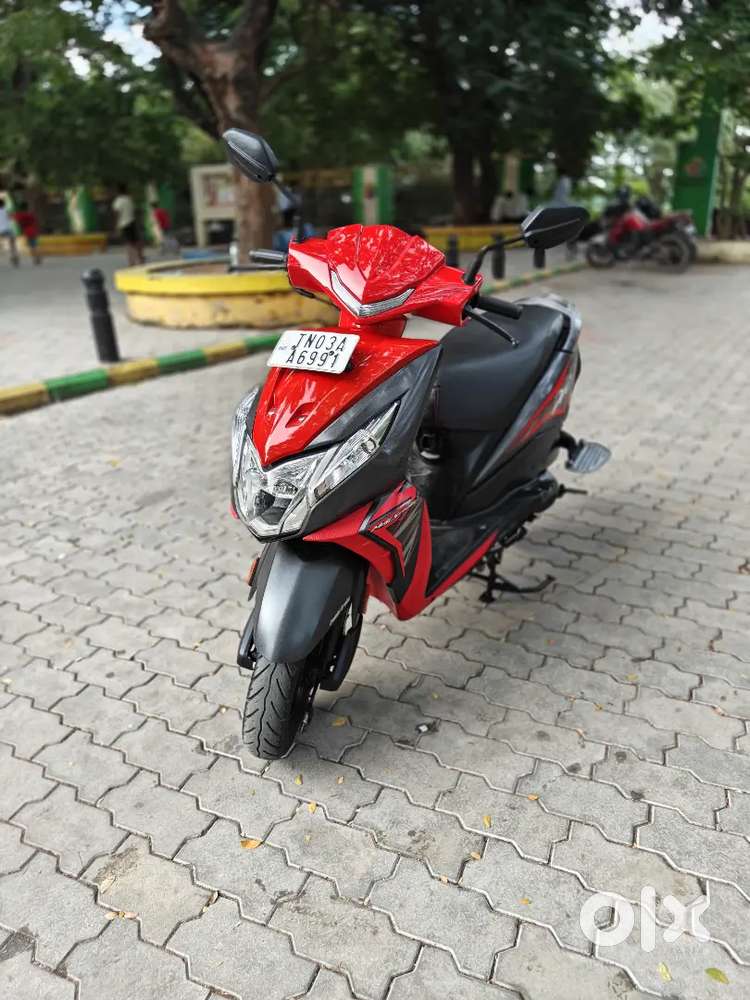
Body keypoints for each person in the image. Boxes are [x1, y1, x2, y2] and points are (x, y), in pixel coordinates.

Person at [112, 183, 144, 265]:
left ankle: (131, 261)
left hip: (124, 224)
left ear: (117, 191)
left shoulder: (118, 200)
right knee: (136, 241)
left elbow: (117, 213)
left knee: (129, 243)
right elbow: (134, 211)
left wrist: (116, 226)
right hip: (132, 222)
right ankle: (140, 258)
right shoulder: (129, 199)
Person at [13, 201, 41, 265]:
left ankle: (35, 258)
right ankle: (37, 257)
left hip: (27, 232)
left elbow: (15, 219)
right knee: (34, 245)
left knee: (31, 246)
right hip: (34, 230)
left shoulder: (20, 215)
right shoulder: (30, 214)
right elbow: (35, 221)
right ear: (27, 207)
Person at [0, 198, 19, 267]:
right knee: (12, 243)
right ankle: (14, 256)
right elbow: (12, 218)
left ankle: (13, 257)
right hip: (7, 230)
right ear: (4, 204)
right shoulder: (6, 210)